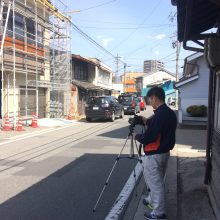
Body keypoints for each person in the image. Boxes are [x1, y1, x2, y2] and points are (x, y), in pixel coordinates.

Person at [134, 87, 177, 220]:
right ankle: (151, 199)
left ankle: (159, 213)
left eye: (149, 99)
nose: (149, 102)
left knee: (155, 183)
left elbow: (150, 136)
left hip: (155, 153)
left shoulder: (160, 114)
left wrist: (136, 136)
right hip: (164, 152)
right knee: (157, 180)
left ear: (154, 98)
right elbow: (156, 126)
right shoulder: (168, 112)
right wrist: (144, 120)